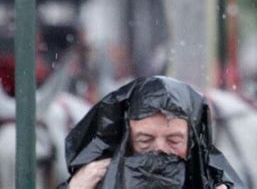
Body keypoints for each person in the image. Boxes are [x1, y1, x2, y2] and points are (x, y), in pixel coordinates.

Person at [61, 76, 244, 188]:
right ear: (127, 139)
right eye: (145, 140)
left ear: (192, 140)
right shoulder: (93, 181)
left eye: (173, 140)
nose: (160, 149)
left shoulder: (215, 182)